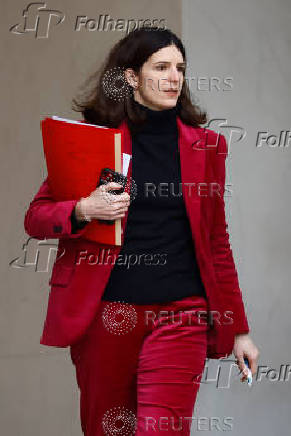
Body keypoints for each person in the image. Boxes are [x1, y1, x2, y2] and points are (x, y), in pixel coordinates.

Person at [24, 27, 259, 436]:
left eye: (180, 68)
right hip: (109, 314)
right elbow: (38, 217)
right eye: (162, 67)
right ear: (131, 77)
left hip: (181, 314)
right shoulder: (94, 140)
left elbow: (217, 242)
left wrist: (239, 329)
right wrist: (84, 209)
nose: (174, 78)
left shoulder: (206, 147)